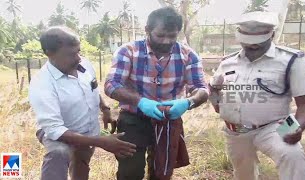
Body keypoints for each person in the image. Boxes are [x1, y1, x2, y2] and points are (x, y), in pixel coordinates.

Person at [209, 11, 305, 180]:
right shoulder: (227, 62)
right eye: (247, 42)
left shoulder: (292, 59)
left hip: (276, 124)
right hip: (235, 130)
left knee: (292, 155)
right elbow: (215, 89)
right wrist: (217, 101)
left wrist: (297, 126)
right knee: (243, 174)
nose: (252, 47)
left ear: (272, 34)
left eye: (258, 43)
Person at [104, 7, 209, 180]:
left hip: (168, 119)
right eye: (160, 35)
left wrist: (188, 102)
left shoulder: (188, 55)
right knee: (130, 171)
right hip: (133, 118)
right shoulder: (129, 51)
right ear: (147, 30)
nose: (167, 41)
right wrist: (141, 102)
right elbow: (111, 85)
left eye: (172, 36)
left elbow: (201, 88)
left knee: (162, 171)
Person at [28, 26, 136, 180]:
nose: (78, 58)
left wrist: (105, 109)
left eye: (79, 51)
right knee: (58, 153)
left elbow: (92, 87)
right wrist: (101, 142)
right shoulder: (42, 84)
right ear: (49, 53)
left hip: (87, 129)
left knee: (81, 167)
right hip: (59, 132)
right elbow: (55, 130)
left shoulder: (83, 64)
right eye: (72, 54)